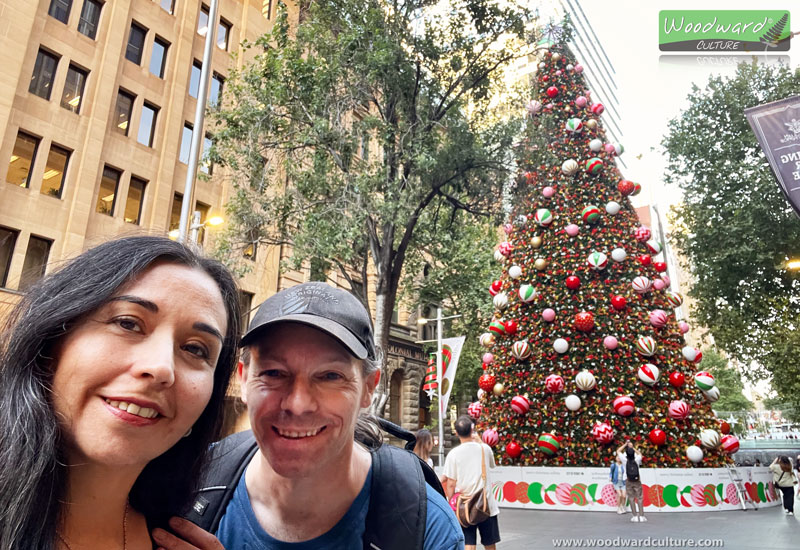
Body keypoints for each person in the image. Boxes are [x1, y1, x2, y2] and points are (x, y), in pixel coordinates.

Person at [157, 281, 464, 550]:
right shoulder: (185, 484)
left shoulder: (427, 531)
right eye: (274, 373)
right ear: (244, 380)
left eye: (330, 376)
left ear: (368, 388)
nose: (298, 403)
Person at [0, 236, 241, 550]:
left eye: (195, 349)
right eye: (128, 323)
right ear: (51, 345)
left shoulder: (179, 536)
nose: (161, 368)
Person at [442, 415, 501, 550]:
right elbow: (492, 465)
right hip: (486, 505)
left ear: (456, 433)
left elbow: (451, 483)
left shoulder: (453, 454)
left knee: (469, 543)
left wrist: (451, 503)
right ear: (472, 430)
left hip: (464, 506)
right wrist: (480, 441)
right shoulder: (484, 449)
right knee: (490, 542)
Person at [616, 441, 644, 522]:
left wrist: (625, 444)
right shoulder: (637, 459)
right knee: (640, 498)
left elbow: (618, 451)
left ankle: (635, 516)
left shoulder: (624, 460)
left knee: (631, 498)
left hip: (628, 480)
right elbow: (640, 454)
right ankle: (641, 516)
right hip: (637, 480)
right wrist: (633, 448)